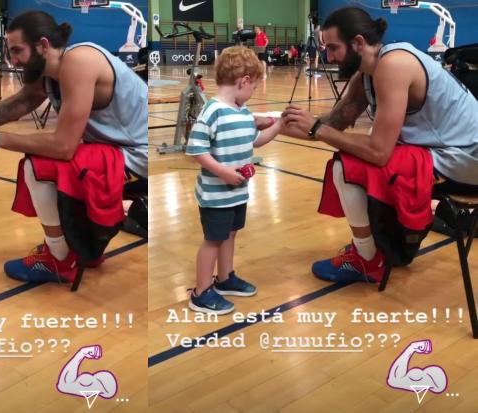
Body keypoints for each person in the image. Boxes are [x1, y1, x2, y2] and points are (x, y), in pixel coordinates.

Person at [0, 11, 148, 284]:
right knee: (57, 165)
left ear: (43, 45)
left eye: (18, 51)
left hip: (138, 155)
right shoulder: (45, 74)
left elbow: (64, 146)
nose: (13, 59)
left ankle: (59, 260)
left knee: (39, 166)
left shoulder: (79, 61)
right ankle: (80, 247)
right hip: (113, 152)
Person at [280, 7, 478, 284]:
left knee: (347, 166)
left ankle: (367, 259)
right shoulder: (367, 73)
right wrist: (276, 126)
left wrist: (317, 128)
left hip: (467, 161)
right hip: (444, 154)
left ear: (358, 43)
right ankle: (391, 244)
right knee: (356, 156)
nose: (329, 56)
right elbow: (333, 123)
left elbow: (378, 152)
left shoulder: (394, 65)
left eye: (334, 48)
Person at [185, 46, 282, 314]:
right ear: (244, 81)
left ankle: (225, 278)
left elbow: (255, 141)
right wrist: (223, 172)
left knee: (230, 234)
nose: (253, 93)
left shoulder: (242, 112)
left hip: (237, 193)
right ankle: (201, 292)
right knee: (213, 240)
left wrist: (278, 126)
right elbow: (196, 150)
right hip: (217, 195)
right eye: (254, 87)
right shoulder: (213, 111)